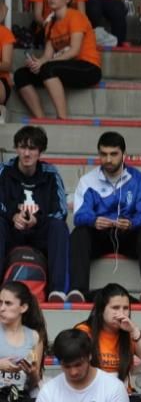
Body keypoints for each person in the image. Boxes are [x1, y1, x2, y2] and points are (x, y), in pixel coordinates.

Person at [69, 131, 141, 303]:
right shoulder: (87, 180)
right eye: (103, 154)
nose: (108, 159)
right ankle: (78, 291)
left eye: (113, 154)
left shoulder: (139, 179)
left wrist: (131, 223)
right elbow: (79, 215)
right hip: (99, 234)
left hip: (127, 234)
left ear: (124, 155)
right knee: (79, 233)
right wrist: (94, 220)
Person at [74, 283, 141, 402]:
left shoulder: (128, 334)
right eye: (115, 308)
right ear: (101, 309)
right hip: (92, 394)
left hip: (123, 396)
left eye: (126, 308)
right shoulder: (85, 331)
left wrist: (134, 331)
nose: (121, 313)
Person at [13, 0, 102, 120]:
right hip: (63, 68)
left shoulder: (75, 16)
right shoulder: (50, 24)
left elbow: (74, 51)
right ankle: (41, 119)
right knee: (21, 74)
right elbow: (47, 55)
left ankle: (62, 118)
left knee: (48, 68)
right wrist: (37, 62)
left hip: (88, 68)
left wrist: (45, 64)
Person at [0, 126, 70, 300]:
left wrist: (36, 221)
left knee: (59, 227)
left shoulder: (50, 173)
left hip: (39, 231)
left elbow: (61, 210)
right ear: (16, 148)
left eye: (32, 148)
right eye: (23, 147)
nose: (26, 153)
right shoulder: (5, 171)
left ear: (40, 151)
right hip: (11, 230)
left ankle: (57, 291)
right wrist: (12, 217)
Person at [33, 329, 129, 402]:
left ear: (89, 356)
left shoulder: (113, 386)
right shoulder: (49, 390)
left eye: (78, 365)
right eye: (67, 366)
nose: (73, 372)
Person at [0, 281, 46, 402]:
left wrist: (32, 373)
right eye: (0, 303)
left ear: (23, 307)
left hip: (19, 395)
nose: (2, 308)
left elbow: (34, 382)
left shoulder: (34, 336)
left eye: (8, 303)